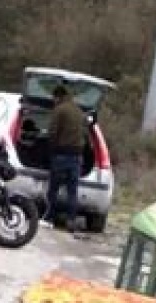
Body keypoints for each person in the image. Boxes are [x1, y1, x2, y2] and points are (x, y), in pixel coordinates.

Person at [44, 85, 88, 235]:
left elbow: (52, 132)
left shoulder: (59, 110)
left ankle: (49, 218)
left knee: (53, 189)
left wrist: (51, 150)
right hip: (77, 156)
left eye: (54, 98)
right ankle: (71, 220)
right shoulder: (79, 111)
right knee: (72, 191)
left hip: (61, 155)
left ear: (57, 97)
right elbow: (85, 133)